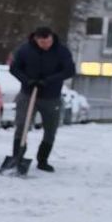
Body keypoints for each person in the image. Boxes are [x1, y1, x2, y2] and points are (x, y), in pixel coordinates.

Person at [8, 26, 75, 173]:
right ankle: (17, 156)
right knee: (22, 125)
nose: (46, 45)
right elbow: (14, 68)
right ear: (36, 39)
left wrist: (48, 80)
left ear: (52, 37)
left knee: (50, 129)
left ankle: (43, 160)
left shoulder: (61, 51)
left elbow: (69, 70)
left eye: (48, 41)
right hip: (28, 94)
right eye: (42, 42)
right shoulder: (25, 50)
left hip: (51, 96)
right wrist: (27, 80)